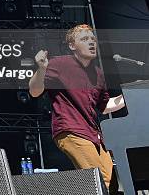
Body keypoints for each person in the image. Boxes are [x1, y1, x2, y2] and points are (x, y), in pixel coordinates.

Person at [28, 24, 125, 193]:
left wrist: (130, 95)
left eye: (93, 39)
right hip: (71, 130)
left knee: (113, 184)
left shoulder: (98, 73)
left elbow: (105, 106)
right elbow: (34, 91)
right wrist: (41, 69)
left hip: (94, 135)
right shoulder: (60, 64)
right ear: (72, 46)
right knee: (101, 181)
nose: (91, 42)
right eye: (84, 39)